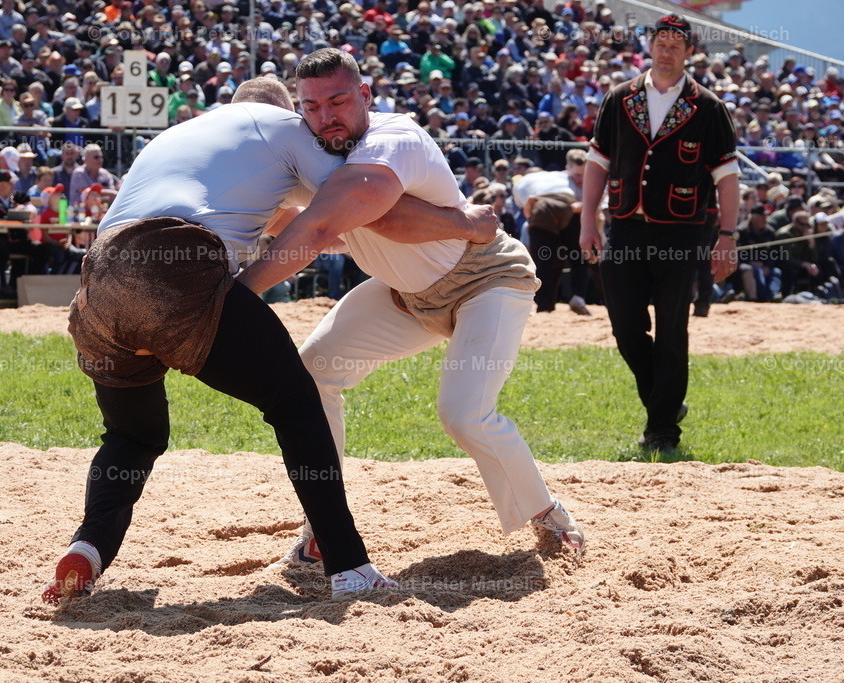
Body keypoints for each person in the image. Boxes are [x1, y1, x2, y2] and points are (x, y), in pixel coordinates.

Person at [44, 78, 500, 604]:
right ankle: (349, 566)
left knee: (132, 437)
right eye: (308, 112)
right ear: (288, 111)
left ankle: (90, 547)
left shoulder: (184, 132)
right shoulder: (287, 128)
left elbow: (273, 208)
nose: (316, 122)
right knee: (298, 403)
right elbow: (368, 205)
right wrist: (463, 222)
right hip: (173, 266)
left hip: (96, 289)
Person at [236, 50, 586, 569]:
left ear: (365, 96)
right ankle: (322, 527)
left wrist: (239, 294)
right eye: (311, 107)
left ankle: (548, 514)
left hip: (485, 279)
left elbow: (380, 222)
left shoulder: (391, 138)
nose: (326, 116)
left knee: (464, 414)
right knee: (313, 376)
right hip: (406, 293)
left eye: (337, 101)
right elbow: (332, 230)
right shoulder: (315, 156)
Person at [579, 15, 740, 453]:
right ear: (649, 47)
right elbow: (598, 163)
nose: (667, 50)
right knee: (625, 327)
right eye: (661, 42)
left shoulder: (708, 107)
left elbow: (727, 178)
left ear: (689, 53)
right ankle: (665, 402)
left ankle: (663, 430)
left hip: (683, 235)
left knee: (673, 328)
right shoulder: (619, 97)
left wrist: (727, 236)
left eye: (676, 44)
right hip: (625, 229)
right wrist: (587, 219)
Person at [513, 149, 591, 314]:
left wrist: (533, 216)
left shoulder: (530, 181)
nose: (580, 179)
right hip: (567, 205)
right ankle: (577, 296)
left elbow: (526, 205)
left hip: (540, 208)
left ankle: (544, 306)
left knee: (544, 261)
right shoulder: (566, 179)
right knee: (578, 256)